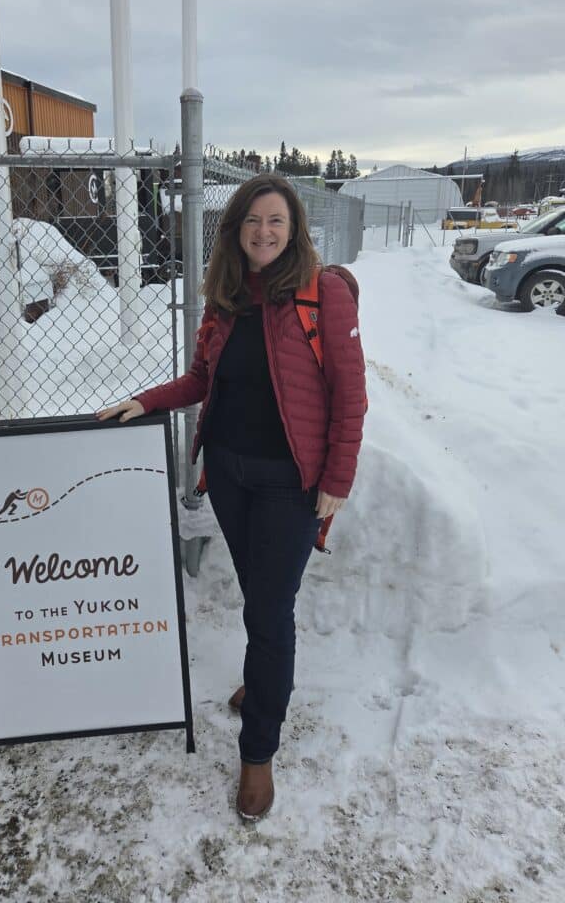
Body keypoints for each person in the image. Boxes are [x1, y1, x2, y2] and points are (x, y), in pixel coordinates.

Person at [97, 174, 366, 822]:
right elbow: (201, 378)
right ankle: (264, 673)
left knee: (271, 611)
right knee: (259, 596)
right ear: (235, 230)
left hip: (289, 483)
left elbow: (350, 396)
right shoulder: (226, 296)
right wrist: (146, 401)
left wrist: (337, 479)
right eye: (252, 221)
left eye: (276, 221)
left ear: (293, 230)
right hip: (229, 475)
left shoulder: (324, 293)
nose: (263, 232)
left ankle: (258, 751)